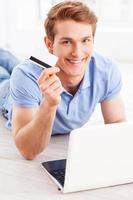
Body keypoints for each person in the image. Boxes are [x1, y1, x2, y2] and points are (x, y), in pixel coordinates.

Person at [0, 1, 126, 160]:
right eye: (67, 42)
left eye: (85, 40)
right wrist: (49, 104)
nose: (77, 53)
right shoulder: (25, 76)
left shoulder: (106, 70)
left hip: (31, 70)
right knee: (5, 76)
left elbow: (118, 124)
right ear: (49, 44)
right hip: (7, 94)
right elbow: (28, 151)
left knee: (14, 63)